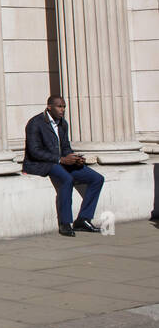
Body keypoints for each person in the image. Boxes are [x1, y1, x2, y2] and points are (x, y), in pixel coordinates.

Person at [22, 96, 103, 237]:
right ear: (49, 107)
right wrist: (60, 159)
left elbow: (65, 147)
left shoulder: (63, 123)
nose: (62, 110)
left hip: (60, 162)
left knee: (96, 178)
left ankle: (83, 219)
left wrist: (75, 159)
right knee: (67, 179)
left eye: (64, 106)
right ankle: (65, 223)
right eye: (59, 106)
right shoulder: (35, 123)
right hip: (40, 164)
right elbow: (34, 151)